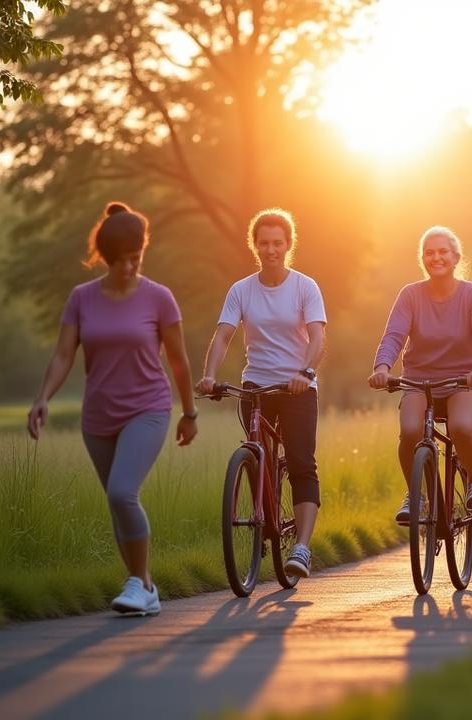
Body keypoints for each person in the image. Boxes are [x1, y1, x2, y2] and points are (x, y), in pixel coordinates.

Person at [27, 202, 198, 616]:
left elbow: (179, 361)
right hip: (98, 417)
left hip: (148, 408)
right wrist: (43, 397)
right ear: (104, 258)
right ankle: (146, 587)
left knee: (123, 492)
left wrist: (189, 413)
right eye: (120, 260)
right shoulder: (81, 298)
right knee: (117, 503)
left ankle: (138, 585)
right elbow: (63, 355)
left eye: (135, 258)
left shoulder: (159, 298)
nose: (129, 267)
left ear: (143, 250)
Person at [196, 208, 327, 579]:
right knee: (258, 455)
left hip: (297, 387)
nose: (271, 250)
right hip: (256, 385)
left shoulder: (305, 287)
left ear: (288, 245)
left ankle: (301, 547)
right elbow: (223, 335)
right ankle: (263, 517)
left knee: (300, 462)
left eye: (277, 243)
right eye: (264, 243)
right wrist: (209, 376)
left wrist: (305, 372)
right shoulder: (241, 290)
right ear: (254, 245)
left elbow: (317, 336)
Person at [368, 226, 472, 520]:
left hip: (464, 380)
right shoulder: (410, 295)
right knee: (410, 431)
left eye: (443, 252)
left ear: (456, 257)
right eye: (429, 253)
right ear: (422, 258)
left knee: (461, 427)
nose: (436, 257)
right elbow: (394, 336)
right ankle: (416, 495)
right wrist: (382, 367)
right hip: (418, 380)